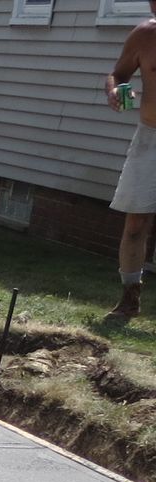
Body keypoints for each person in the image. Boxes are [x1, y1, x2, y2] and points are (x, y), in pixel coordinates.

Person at [104, 13, 156, 323]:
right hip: (150, 137)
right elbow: (118, 73)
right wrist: (114, 90)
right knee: (136, 222)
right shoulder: (145, 34)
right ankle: (129, 299)